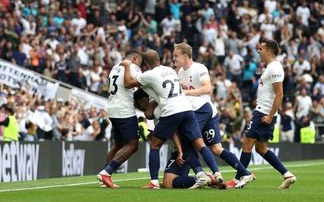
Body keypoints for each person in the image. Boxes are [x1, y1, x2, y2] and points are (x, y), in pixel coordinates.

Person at [120, 50, 220, 189]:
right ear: (159, 61)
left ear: (146, 65)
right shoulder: (170, 70)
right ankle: (215, 174)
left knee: (155, 146)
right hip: (187, 107)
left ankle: (154, 182)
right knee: (200, 144)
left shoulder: (149, 75)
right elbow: (159, 94)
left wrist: (126, 66)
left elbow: (127, 83)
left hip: (172, 110)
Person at [173, 43, 255, 188]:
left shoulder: (199, 68)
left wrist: (186, 92)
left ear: (185, 56)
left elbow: (207, 88)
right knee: (216, 148)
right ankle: (245, 173)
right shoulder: (180, 72)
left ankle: (202, 174)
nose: (173, 58)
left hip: (203, 109)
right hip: (198, 112)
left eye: (175, 55)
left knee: (187, 140)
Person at [226, 39, 297, 189]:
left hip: (263, 112)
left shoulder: (274, 68)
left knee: (246, 144)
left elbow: (279, 94)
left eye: (261, 49)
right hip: (265, 112)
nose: (258, 51)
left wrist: (270, 115)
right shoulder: (271, 67)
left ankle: (239, 178)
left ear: (269, 51)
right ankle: (287, 174)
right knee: (261, 148)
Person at [97, 50, 142, 188]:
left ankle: (104, 177)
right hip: (124, 109)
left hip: (112, 107)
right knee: (133, 145)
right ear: (135, 58)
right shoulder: (133, 67)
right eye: (140, 61)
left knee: (118, 144)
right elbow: (135, 83)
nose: (140, 64)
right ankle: (106, 172)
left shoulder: (115, 67)